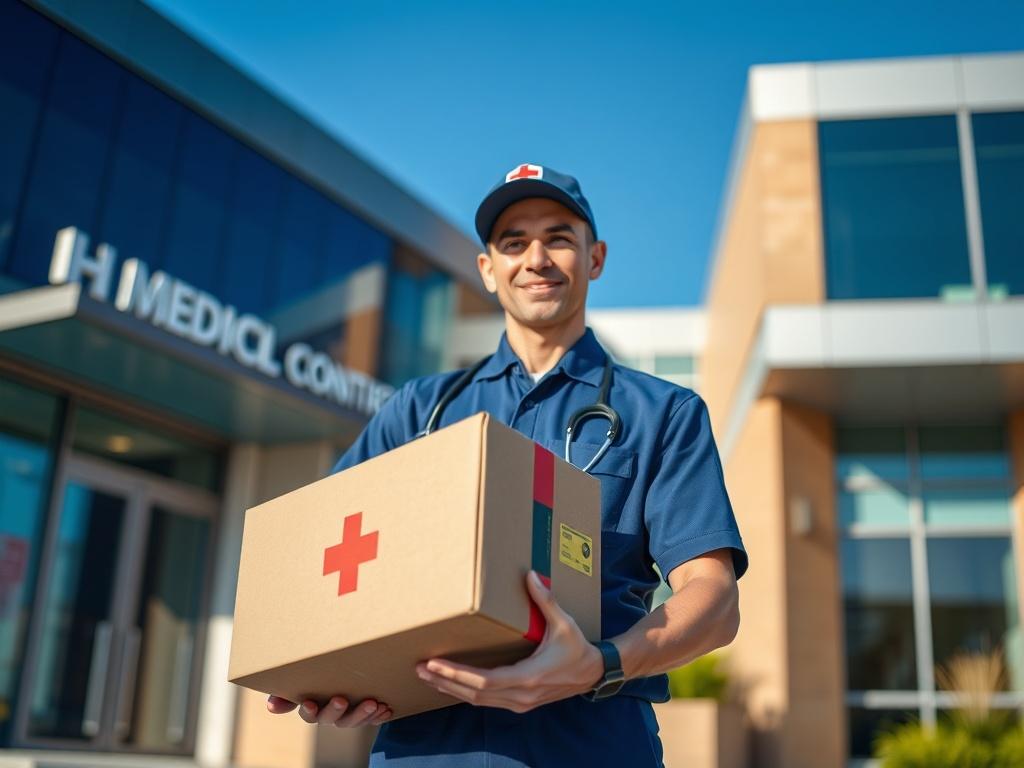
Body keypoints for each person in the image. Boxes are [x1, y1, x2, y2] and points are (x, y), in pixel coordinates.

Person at [267, 164, 748, 766]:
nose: (537, 258)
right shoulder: (419, 411)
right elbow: (325, 562)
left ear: (594, 258)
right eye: (513, 243)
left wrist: (599, 665)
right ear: (487, 270)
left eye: (559, 238)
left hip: (591, 743)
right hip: (424, 747)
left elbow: (713, 598)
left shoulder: (663, 414)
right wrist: (331, 671)